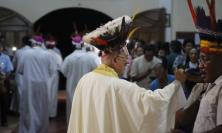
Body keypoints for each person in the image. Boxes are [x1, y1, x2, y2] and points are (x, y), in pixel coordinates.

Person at [67, 15, 187, 133]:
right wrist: (176, 83)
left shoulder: (84, 80)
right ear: (115, 59)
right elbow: (152, 103)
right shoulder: (119, 87)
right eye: (125, 60)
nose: (127, 63)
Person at [173, 0, 222, 132]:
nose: (201, 65)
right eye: (200, 60)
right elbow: (181, 120)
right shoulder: (201, 87)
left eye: (206, 60)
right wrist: (200, 95)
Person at [17, 34, 54, 133]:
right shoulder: (48, 54)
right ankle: (42, 129)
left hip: (29, 84)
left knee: (29, 107)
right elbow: (51, 71)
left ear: (32, 42)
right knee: (42, 107)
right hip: (43, 84)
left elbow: (20, 70)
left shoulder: (26, 54)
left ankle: (29, 129)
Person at [61, 34, 100, 123]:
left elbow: (64, 72)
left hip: (72, 89)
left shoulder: (68, 58)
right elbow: (99, 70)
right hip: (88, 89)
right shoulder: (92, 57)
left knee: (73, 113)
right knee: (87, 113)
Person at [10, 35, 32, 113]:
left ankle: (20, 111)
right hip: (31, 76)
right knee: (29, 94)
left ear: (22, 42)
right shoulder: (33, 52)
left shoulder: (18, 52)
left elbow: (13, 65)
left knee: (19, 94)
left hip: (19, 76)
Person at [45, 34, 63, 118]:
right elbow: (61, 66)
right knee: (47, 94)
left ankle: (51, 113)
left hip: (52, 75)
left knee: (52, 94)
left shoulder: (57, 51)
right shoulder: (44, 52)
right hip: (47, 75)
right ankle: (47, 113)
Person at [0, 43, 13, 126]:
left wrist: (3, 79)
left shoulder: (5, 57)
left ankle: (4, 120)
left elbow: (9, 70)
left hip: (3, 81)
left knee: (3, 102)